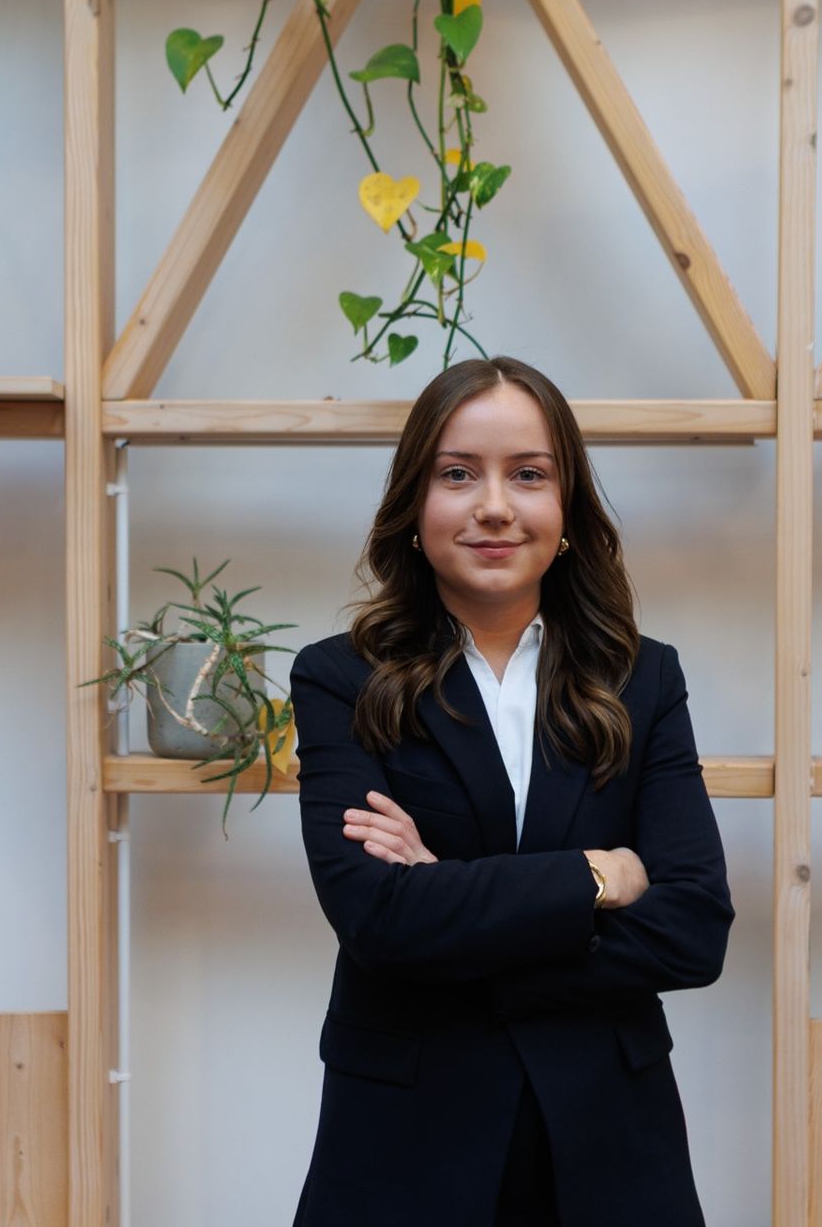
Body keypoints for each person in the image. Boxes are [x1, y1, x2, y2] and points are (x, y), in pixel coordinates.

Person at [289, 355, 734, 1225]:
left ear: (567, 509)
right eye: (458, 474)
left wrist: (448, 907)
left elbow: (693, 930)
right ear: (414, 504)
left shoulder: (645, 680)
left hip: (608, 1138)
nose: (494, 505)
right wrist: (597, 875)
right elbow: (376, 918)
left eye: (528, 475)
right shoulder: (341, 679)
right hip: (404, 1143)